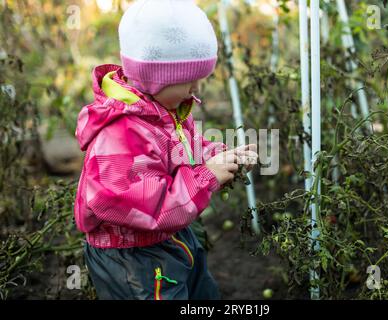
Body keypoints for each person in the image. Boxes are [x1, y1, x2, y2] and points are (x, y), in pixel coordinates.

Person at [73, 0, 258, 300]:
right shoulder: (118, 137)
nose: (196, 88)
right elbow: (154, 208)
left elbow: (182, 150)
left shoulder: (164, 110)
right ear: (156, 78)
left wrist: (219, 156)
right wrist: (206, 177)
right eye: (189, 81)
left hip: (170, 239)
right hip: (134, 260)